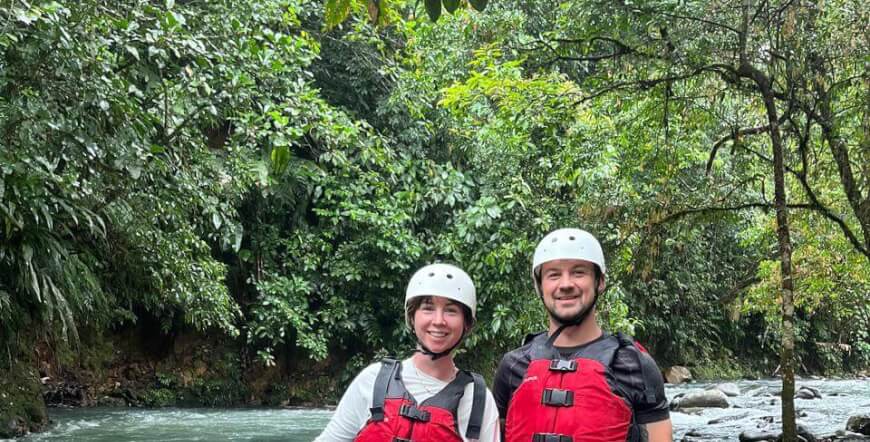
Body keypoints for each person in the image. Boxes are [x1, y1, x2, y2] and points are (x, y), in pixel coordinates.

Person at [493, 228, 672, 442]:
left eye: (579, 272)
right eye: (554, 274)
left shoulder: (635, 365)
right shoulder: (512, 366)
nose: (566, 284)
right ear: (540, 286)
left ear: (600, 282)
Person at [314, 263, 500, 442]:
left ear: (466, 323)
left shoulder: (477, 399)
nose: (438, 320)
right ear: (412, 316)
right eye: (428, 308)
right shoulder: (372, 380)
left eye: (451, 311)